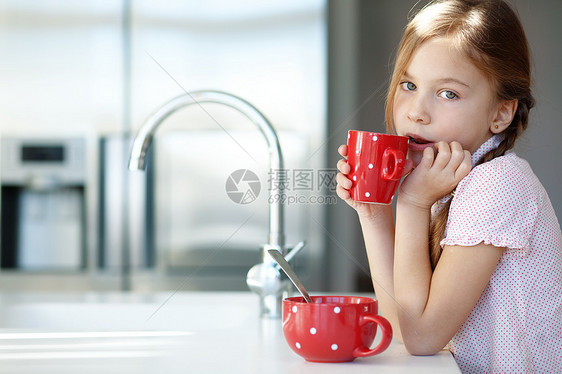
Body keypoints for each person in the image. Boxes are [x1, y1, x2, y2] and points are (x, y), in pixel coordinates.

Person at [335, 0, 562, 372]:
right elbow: (401, 326)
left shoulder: (497, 184)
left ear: (500, 113)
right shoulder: (450, 179)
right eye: (409, 85)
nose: (416, 112)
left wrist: (411, 203)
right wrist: (373, 214)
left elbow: (423, 338)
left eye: (448, 94)